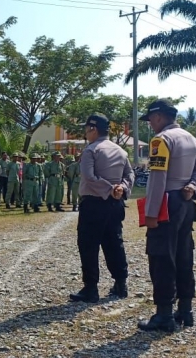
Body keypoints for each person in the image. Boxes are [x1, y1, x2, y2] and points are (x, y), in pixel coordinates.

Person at [136, 99, 196, 332]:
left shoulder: (161, 140)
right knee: (184, 255)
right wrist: (193, 187)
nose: (151, 125)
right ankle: (185, 310)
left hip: (167, 203)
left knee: (161, 257)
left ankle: (164, 314)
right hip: (186, 203)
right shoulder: (191, 138)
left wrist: (151, 213)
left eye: (151, 120)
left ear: (158, 117)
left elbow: (158, 178)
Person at [69, 114, 133, 304]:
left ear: (92, 129)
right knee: (114, 242)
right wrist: (121, 188)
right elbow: (129, 173)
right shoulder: (120, 151)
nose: (85, 133)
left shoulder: (91, 150)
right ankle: (121, 284)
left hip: (94, 204)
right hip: (115, 204)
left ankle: (91, 288)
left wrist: (109, 189)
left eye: (86, 129)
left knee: (88, 245)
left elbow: (88, 176)